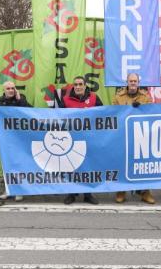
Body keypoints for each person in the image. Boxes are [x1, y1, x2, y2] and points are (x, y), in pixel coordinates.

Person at [111, 73, 155, 204]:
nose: (133, 83)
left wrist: (141, 109)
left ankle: (145, 192)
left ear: (139, 83)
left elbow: (152, 113)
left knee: (143, 164)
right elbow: (113, 114)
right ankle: (121, 191)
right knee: (122, 163)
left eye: (135, 81)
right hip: (123, 135)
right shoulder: (118, 97)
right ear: (127, 82)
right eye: (131, 81)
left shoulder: (146, 97)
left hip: (141, 135)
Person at [60, 76, 101, 204]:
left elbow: (103, 115)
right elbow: (58, 117)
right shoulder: (65, 100)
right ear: (73, 86)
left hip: (90, 138)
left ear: (85, 86)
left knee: (88, 166)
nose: (78, 87)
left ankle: (88, 194)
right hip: (72, 139)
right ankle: (71, 193)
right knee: (72, 166)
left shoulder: (94, 98)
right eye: (76, 84)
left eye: (80, 84)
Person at [0, 80, 31, 201]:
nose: (11, 90)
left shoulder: (21, 98)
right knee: (7, 165)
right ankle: (8, 190)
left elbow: (30, 111)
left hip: (20, 138)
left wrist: (19, 99)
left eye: (13, 88)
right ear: (4, 90)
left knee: (20, 164)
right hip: (6, 139)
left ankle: (19, 190)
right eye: (8, 88)